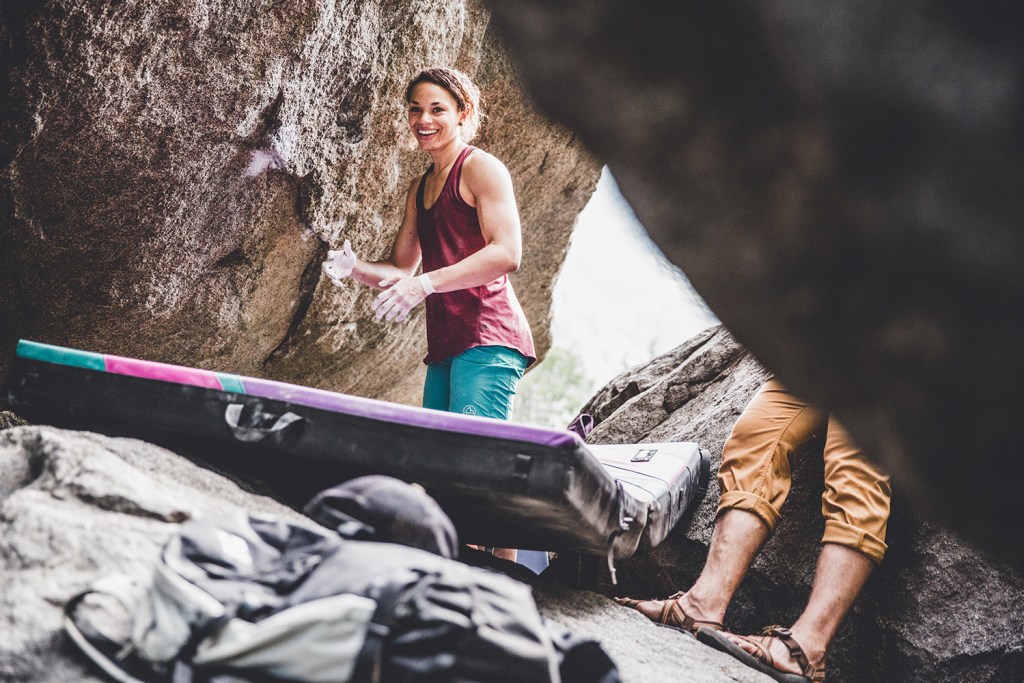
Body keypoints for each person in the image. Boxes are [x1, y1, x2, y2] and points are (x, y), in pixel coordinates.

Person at [322, 67, 536, 565]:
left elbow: (507, 253)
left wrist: (427, 283)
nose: (424, 119)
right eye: (416, 109)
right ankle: (463, 577)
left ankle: (504, 587)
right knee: (440, 469)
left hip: (488, 333)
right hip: (446, 343)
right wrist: (355, 270)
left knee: (476, 469)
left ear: (464, 113)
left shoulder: (481, 168)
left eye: (438, 109)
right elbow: (401, 269)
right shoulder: (420, 187)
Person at [617, 378, 892, 683]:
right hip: (833, 349)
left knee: (854, 474)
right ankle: (701, 605)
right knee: (755, 437)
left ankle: (807, 649)